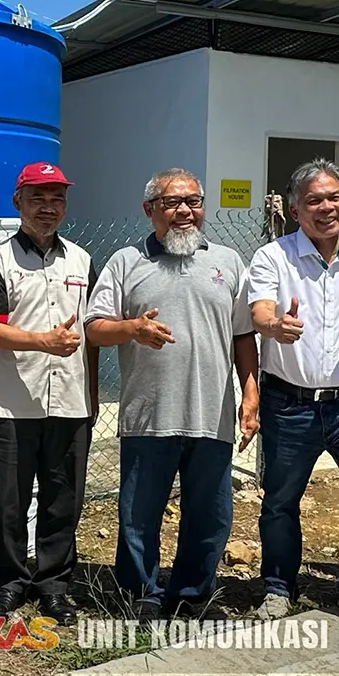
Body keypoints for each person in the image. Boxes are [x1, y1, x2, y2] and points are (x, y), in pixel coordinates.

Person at [85, 168, 259, 620]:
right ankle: (139, 592)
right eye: (171, 203)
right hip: (149, 413)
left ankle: (192, 594)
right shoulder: (126, 262)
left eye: (193, 201)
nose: (185, 211)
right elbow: (95, 329)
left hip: (212, 412)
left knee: (211, 513)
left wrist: (250, 392)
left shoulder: (228, 262)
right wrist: (132, 329)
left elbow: (244, 335)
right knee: (140, 512)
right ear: (149, 211)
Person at [246, 159, 339, 626]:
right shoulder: (273, 257)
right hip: (287, 403)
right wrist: (275, 325)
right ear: (295, 210)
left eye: (334, 198)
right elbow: (260, 312)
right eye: (313, 200)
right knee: (280, 500)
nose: (326, 207)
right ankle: (277, 587)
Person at [0, 162, 96, 627]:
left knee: (63, 497)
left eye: (57, 198)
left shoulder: (81, 260)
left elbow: (90, 331)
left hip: (70, 400)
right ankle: (8, 582)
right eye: (38, 198)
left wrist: (92, 396)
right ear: (17, 202)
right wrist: (44, 341)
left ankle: (54, 584)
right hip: (12, 403)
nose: (48, 208)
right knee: (10, 497)